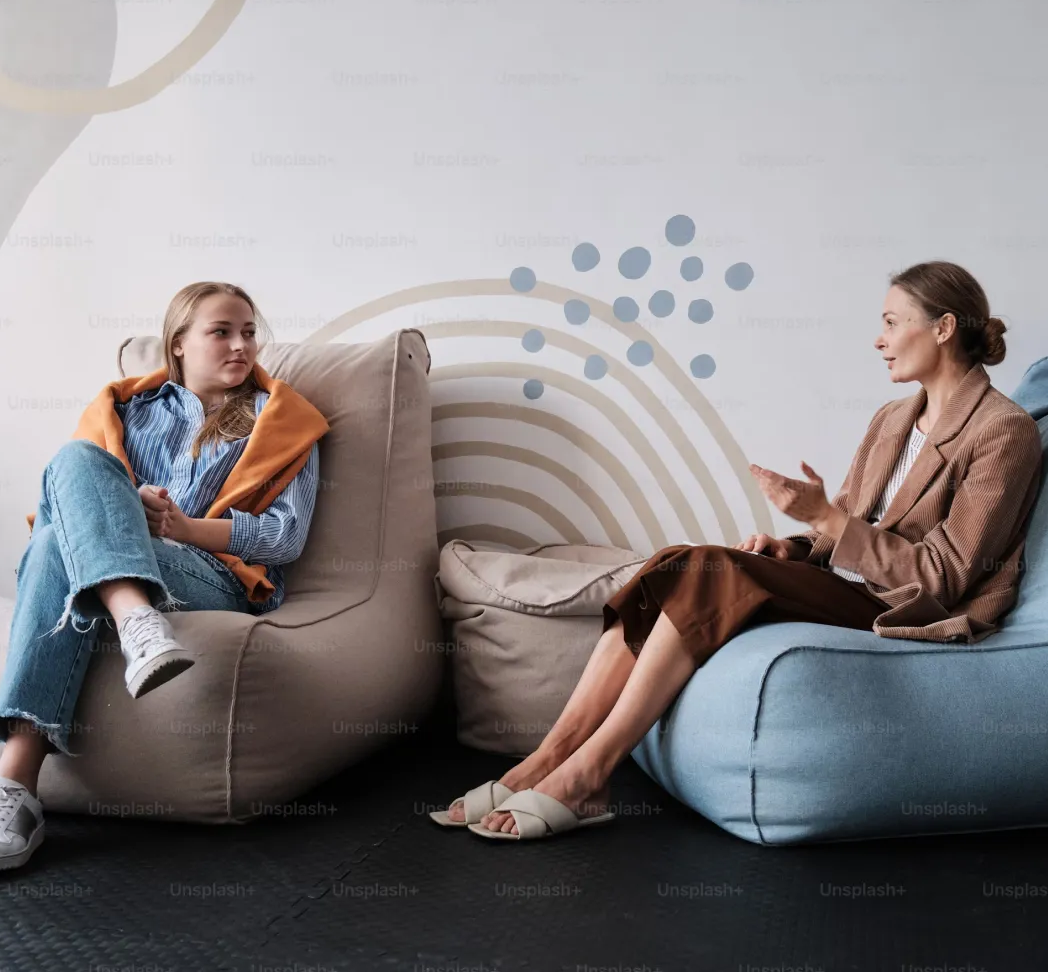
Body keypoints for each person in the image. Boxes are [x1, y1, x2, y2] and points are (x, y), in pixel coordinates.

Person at [444, 259, 1044, 840]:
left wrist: (825, 515)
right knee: (675, 563)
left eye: (892, 322)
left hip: (908, 609)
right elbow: (838, 535)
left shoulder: (1003, 432)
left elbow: (945, 576)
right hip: (850, 588)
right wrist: (791, 547)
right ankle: (547, 757)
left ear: (942, 328)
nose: (878, 339)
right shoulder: (892, 419)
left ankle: (589, 775)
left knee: (709, 570)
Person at [0, 281, 328, 871]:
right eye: (221, 332)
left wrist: (184, 526)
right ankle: (135, 620)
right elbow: (62, 508)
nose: (241, 346)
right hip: (129, 559)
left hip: (213, 576)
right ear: (178, 344)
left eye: (248, 332)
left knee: (54, 547)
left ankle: (12, 783)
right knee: (73, 466)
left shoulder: (281, 419)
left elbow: (284, 537)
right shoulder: (123, 408)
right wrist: (122, 507)